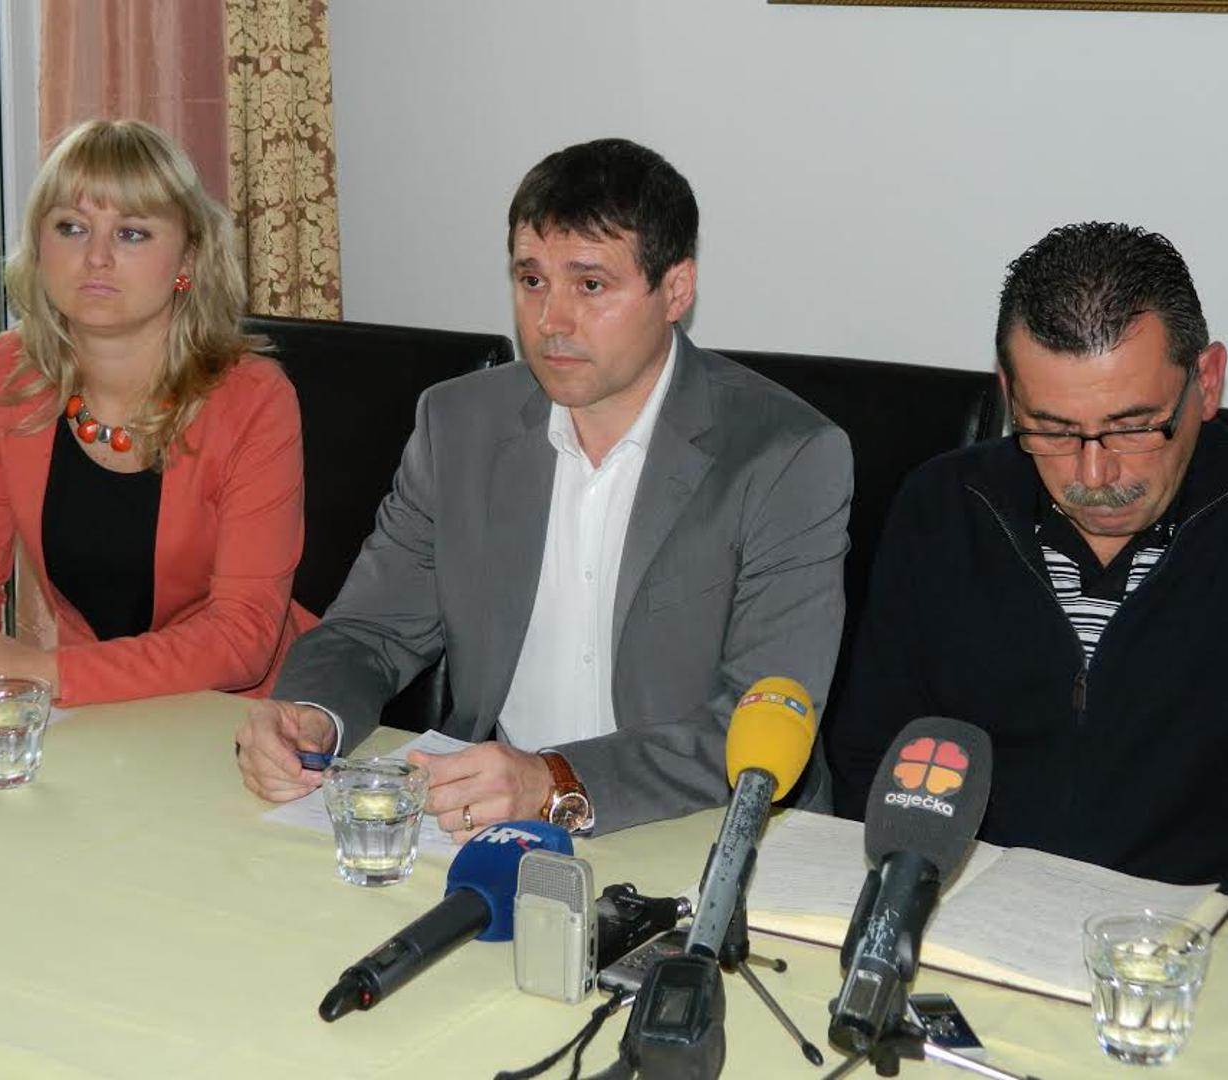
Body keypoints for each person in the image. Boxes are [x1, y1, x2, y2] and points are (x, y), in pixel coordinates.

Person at [236, 138, 852, 837]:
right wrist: (311, 715)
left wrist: (554, 779)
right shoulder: (459, 425)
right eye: (532, 281)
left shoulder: (785, 456)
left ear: (676, 290)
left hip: (710, 829)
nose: (550, 321)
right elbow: (369, 631)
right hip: (490, 822)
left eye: (590, 286)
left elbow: (761, 717)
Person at [829, 222, 1228, 922]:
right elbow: (872, 749)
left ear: (1205, 382)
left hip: (1224, 933)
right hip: (977, 920)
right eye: (1051, 429)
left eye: (1134, 428)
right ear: (1009, 394)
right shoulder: (946, 507)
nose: (1095, 475)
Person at [0, 119, 314, 705]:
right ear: (40, 248)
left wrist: (44, 672)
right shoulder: (13, 374)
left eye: (131, 233)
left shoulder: (252, 398)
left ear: (188, 256)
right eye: (71, 227)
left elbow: (241, 637)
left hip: (246, 718)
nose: (96, 257)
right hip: (95, 715)